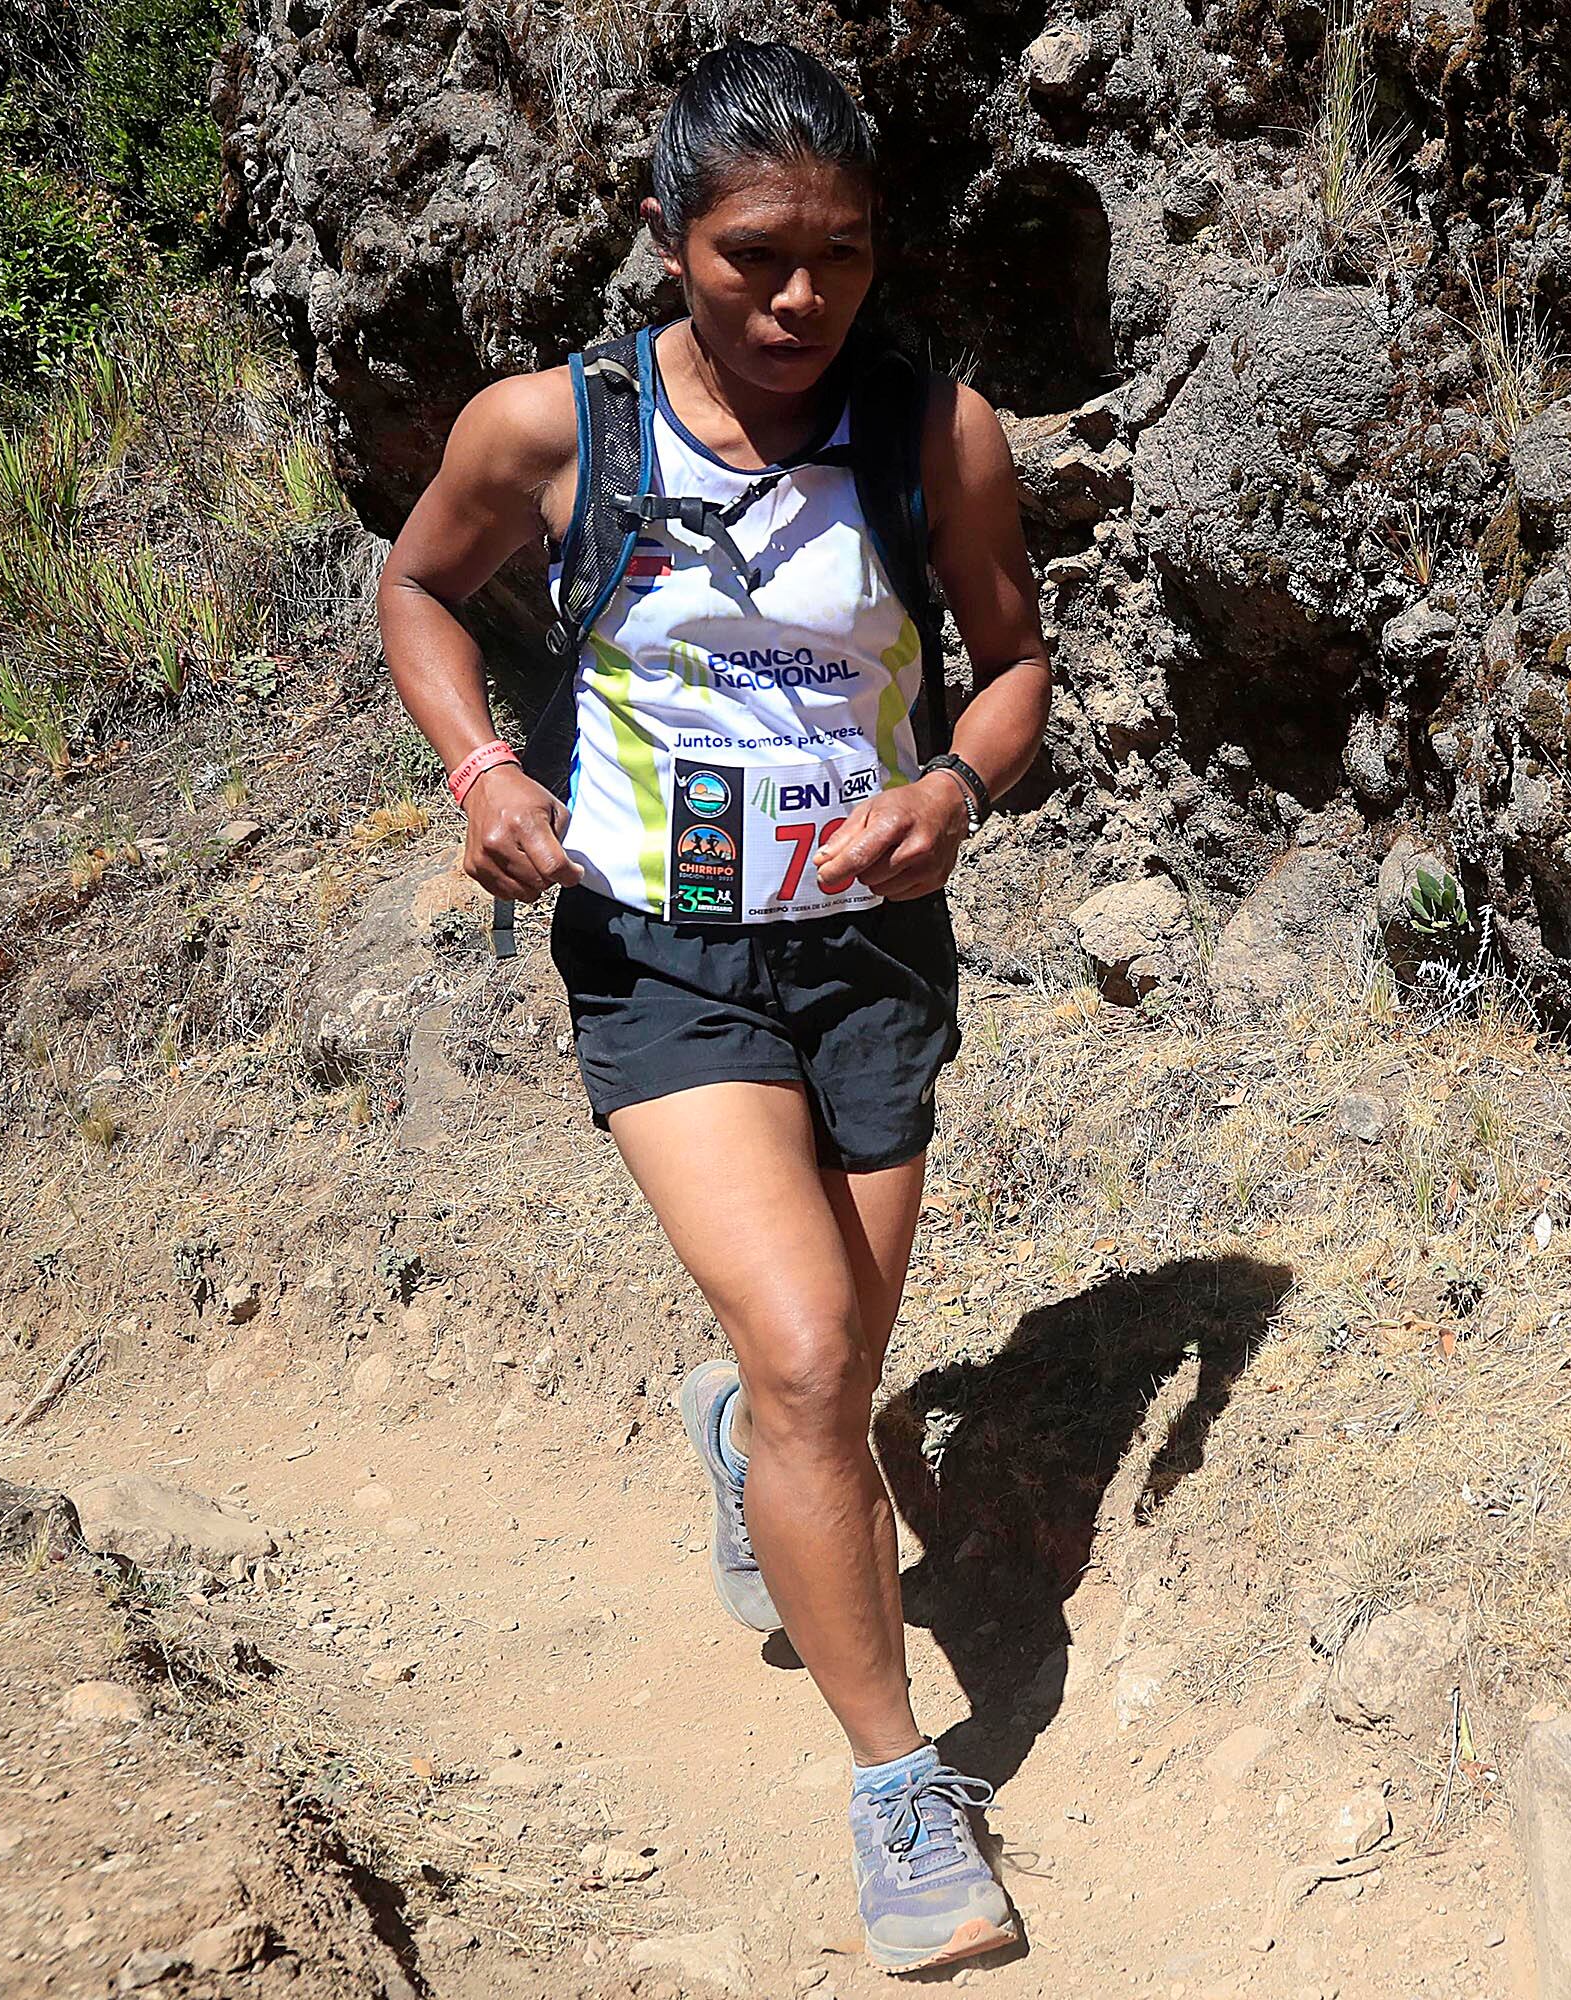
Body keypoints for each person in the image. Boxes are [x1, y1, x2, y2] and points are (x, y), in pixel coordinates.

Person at [373, 41, 1049, 1974]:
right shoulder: (552, 429)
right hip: (658, 951)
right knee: (823, 1356)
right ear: (670, 236)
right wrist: (483, 771)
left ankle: (744, 1434)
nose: (799, 296)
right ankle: (900, 1791)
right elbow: (420, 593)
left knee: (824, 1359)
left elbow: (1015, 663)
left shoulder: (934, 434)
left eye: (841, 254)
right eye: (756, 253)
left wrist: (955, 786)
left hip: (868, 954)